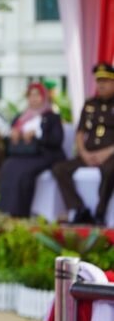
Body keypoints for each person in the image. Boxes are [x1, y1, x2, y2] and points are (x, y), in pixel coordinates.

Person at [52, 63, 114, 225]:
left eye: (106, 81)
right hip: (88, 152)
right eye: (99, 81)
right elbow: (80, 133)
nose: (101, 85)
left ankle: (100, 213)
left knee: (110, 171)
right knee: (59, 169)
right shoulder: (90, 105)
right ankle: (79, 209)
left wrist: (106, 153)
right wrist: (84, 153)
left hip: (110, 154)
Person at [0, 83, 65, 217]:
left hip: (45, 155)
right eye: (30, 95)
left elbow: (56, 140)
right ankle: (6, 209)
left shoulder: (52, 117)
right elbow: (8, 141)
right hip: (23, 155)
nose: (33, 99)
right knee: (8, 166)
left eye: (37, 95)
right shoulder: (20, 118)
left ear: (44, 97)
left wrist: (38, 136)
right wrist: (14, 135)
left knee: (23, 172)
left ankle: (21, 211)